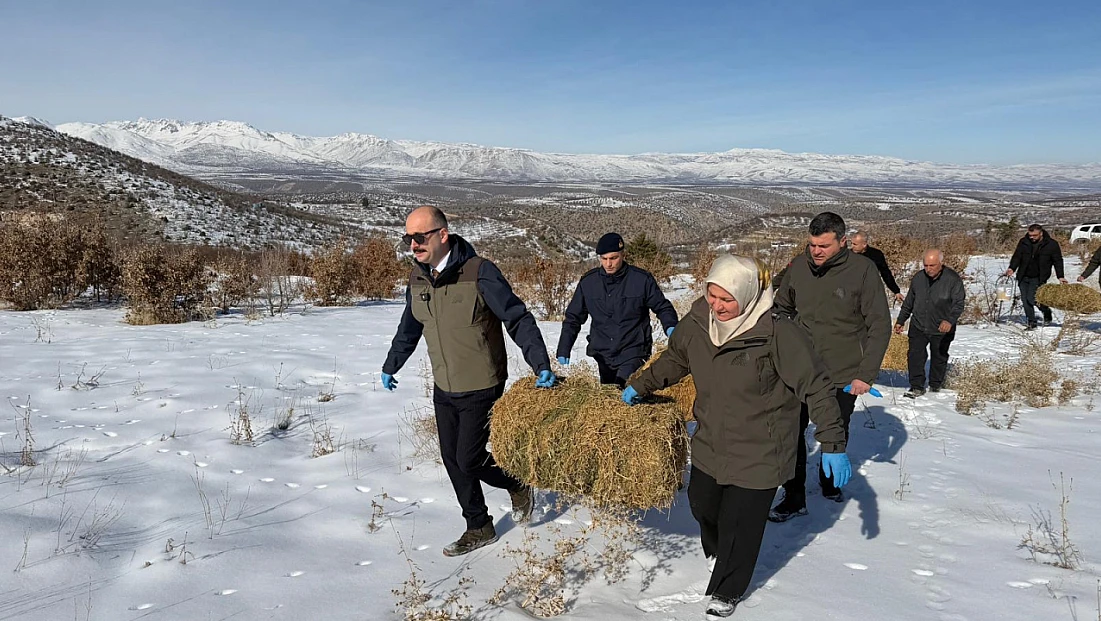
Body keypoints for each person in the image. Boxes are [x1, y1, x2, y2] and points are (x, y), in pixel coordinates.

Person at [622, 255, 850, 618]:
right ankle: (720, 550)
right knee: (702, 505)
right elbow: (674, 360)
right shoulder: (698, 322)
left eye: (726, 300)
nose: (718, 306)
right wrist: (640, 386)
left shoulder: (777, 332)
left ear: (747, 295)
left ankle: (729, 589)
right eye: (712, 295)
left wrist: (833, 444)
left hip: (762, 448)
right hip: (712, 441)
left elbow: (817, 388)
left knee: (741, 525)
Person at [381, 206, 556, 557]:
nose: (413, 245)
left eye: (420, 237)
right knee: (451, 458)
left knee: (469, 458)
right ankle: (478, 525)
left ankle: (517, 484)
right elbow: (410, 326)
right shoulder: (418, 278)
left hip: (481, 381)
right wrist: (392, 364)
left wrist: (540, 363)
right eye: (408, 238)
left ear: (442, 235)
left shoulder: (479, 272)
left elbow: (517, 318)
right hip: (444, 383)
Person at [769, 211, 891, 521]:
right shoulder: (798, 266)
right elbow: (781, 309)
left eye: (824, 246)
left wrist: (866, 374)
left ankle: (828, 481)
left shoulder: (862, 271)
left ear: (842, 242)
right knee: (792, 432)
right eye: (812, 245)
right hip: (799, 370)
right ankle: (794, 496)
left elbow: (879, 325)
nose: (816, 252)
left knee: (835, 428)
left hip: (842, 372)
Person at [556, 232, 679, 387]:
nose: (609, 264)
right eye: (604, 259)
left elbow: (662, 307)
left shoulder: (641, 280)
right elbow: (573, 318)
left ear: (623, 255)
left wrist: (671, 327)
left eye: (613, 258)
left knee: (620, 389)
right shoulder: (589, 282)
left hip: (633, 350)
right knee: (608, 394)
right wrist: (564, 347)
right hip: (602, 352)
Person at [895, 250, 966, 398]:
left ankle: (935, 384)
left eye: (932, 265)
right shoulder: (919, 278)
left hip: (942, 327)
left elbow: (958, 304)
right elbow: (909, 302)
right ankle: (916, 386)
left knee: (939, 357)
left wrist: (950, 320)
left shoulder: (953, 279)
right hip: (919, 324)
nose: (929, 269)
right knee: (915, 355)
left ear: (941, 263)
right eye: (925, 265)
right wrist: (901, 320)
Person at [1006, 224, 1067, 329]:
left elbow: (1058, 261)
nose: (1032, 237)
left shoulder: (1051, 244)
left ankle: (1046, 311)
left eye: (1034, 235)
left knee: (1033, 299)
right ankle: (1032, 322)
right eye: (1030, 235)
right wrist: (1012, 268)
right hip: (1023, 275)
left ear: (1041, 233)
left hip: (1039, 277)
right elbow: (1017, 256)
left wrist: (1060, 276)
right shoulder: (1023, 242)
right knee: (1025, 301)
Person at [850, 231, 905, 302]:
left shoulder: (876, 255)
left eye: (855, 244)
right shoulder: (848, 256)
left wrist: (896, 291)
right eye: (851, 243)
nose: (852, 246)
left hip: (870, 295)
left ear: (864, 244)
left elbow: (886, 273)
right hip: (852, 295)